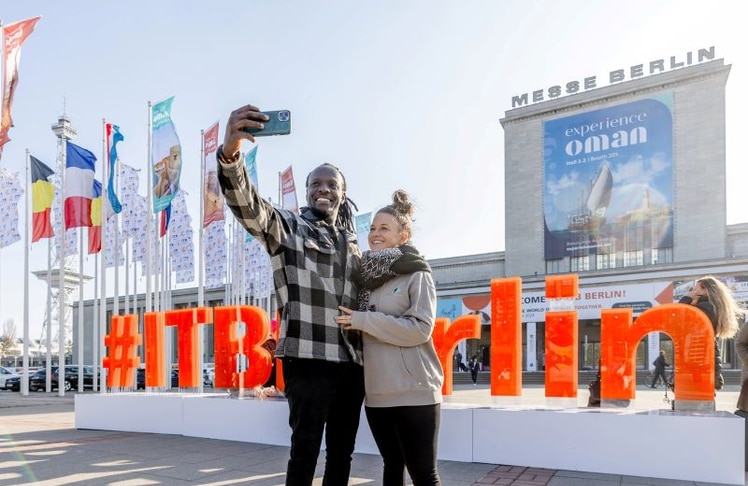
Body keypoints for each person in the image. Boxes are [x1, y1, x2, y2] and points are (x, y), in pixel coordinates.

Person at [216, 103, 365, 486]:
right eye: (316, 183)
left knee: (342, 454)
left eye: (331, 184)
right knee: (305, 452)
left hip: (352, 365)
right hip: (309, 359)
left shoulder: (355, 244)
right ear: (307, 190)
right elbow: (250, 207)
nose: (323, 189)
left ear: (343, 194)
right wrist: (231, 153)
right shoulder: (289, 228)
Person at [335, 190, 442, 486]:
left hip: (415, 390)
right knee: (392, 465)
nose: (375, 234)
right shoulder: (365, 279)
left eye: (384, 228)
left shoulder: (417, 273)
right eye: (372, 228)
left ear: (403, 236)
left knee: (424, 475)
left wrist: (362, 319)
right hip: (377, 394)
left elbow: (420, 328)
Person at [679, 276, 742, 390]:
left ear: (705, 290)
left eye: (695, 289)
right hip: (703, 357)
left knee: (697, 395)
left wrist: (686, 299)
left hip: (700, 359)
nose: (692, 292)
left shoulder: (706, 307)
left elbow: (679, 317)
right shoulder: (709, 307)